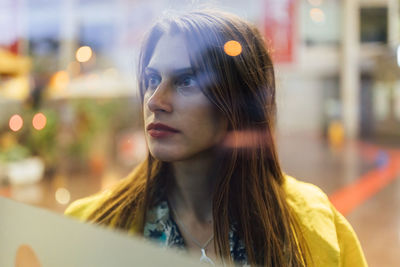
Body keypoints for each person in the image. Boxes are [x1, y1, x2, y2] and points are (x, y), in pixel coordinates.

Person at [65, 10, 367, 267]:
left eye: (186, 81)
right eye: (153, 80)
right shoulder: (93, 222)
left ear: (239, 103)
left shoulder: (314, 225)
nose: (156, 101)